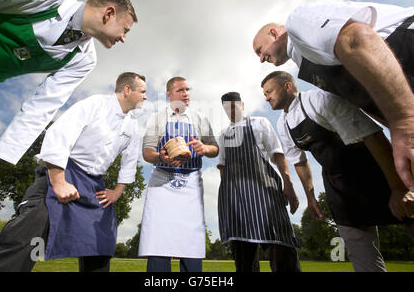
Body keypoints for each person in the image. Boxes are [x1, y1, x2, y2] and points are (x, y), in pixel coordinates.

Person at [0, 0, 138, 209]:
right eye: (125, 29)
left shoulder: (84, 60)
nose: (125, 38)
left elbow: (40, 110)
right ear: (109, 13)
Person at [0, 72, 146, 272]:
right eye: (142, 91)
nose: (145, 96)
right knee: (29, 230)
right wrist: (58, 181)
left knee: (101, 243)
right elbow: (59, 133)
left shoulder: (133, 126)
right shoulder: (95, 104)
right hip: (62, 169)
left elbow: (129, 161)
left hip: (94, 184)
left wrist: (117, 191)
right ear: (127, 90)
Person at [252, 1, 414, 191]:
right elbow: (362, 99)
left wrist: (404, 122)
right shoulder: (307, 64)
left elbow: (356, 39)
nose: (262, 58)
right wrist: (394, 125)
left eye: (260, 50)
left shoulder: (297, 22)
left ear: (274, 33)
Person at [261, 70, 414, 272]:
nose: (266, 97)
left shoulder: (319, 99)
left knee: (410, 217)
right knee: (359, 250)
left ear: (288, 86)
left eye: (269, 91)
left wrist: (397, 187)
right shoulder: (283, 123)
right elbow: (300, 162)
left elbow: (371, 134)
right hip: (337, 185)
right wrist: (311, 198)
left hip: (371, 170)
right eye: (264, 94)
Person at [138, 77, 219, 272]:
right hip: (162, 182)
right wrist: (162, 157)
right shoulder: (156, 118)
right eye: (181, 90)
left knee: (190, 241)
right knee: (158, 241)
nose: (186, 94)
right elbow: (147, 152)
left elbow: (215, 149)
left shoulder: (200, 118)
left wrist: (204, 148)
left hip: (190, 183)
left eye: (188, 90)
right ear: (169, 95)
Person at [217, 91, 301, 272]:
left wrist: (289, 185)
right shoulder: (223, 134)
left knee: (282, 250)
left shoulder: (260, 123)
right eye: (226, 109)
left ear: (242, 105)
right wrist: (229, 200)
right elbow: (223, 167)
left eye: (233, 106)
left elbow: (277, 155)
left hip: (265, 196)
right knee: (244, 259)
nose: (230, 111)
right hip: (237, 202)